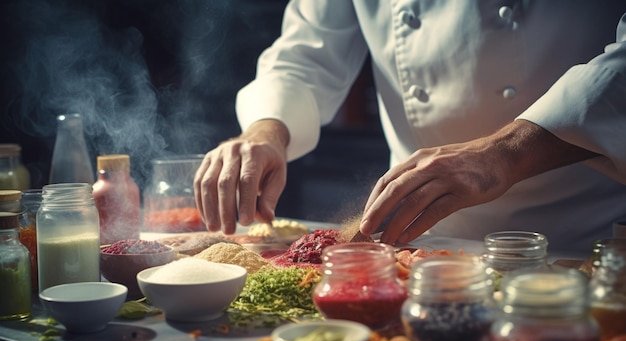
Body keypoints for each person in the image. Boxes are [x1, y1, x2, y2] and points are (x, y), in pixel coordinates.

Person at [194, 1, 626, 255]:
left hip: (583, 240)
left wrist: (505, 152)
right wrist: (265, 131)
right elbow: (307, 51)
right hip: (412, 236)